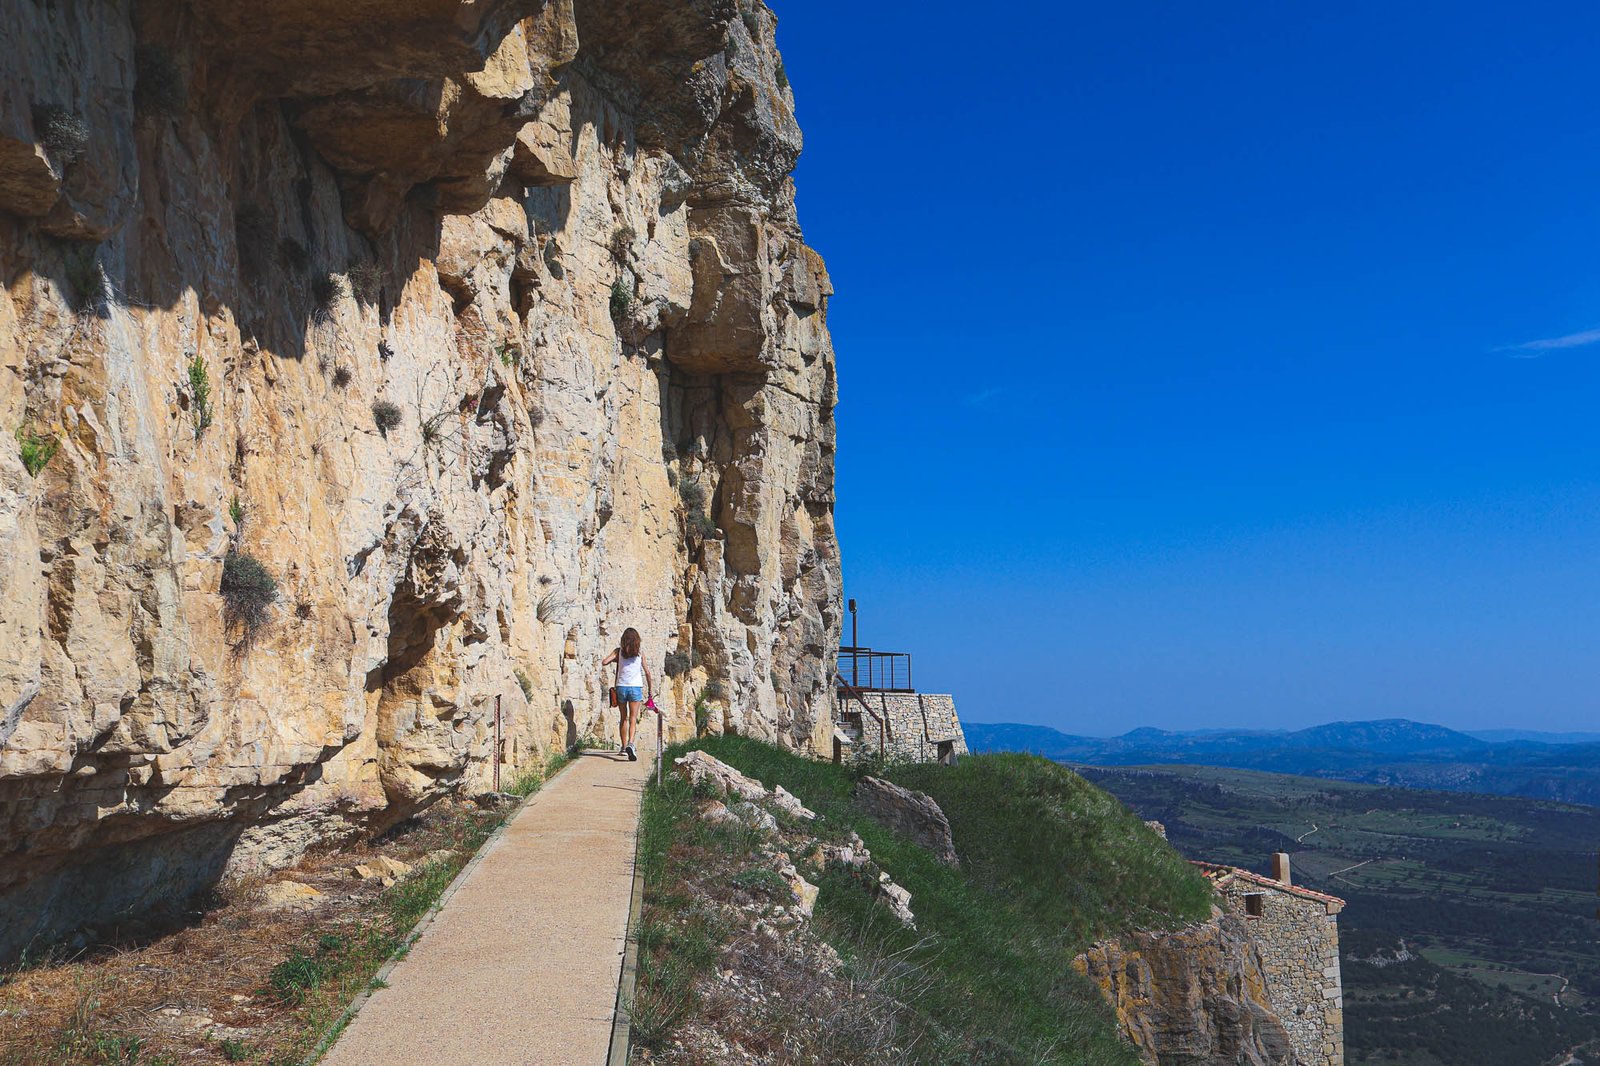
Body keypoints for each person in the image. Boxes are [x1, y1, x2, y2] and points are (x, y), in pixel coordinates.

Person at [601, 628, 654, 761]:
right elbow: (647, 672)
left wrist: (617, 660)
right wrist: (650, 692)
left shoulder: (618, 652)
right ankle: (631, 743)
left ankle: (624, 748)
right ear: (637, 641)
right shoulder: (640, 654)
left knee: (623, 717)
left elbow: (604, 662)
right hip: (635, 688)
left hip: (621, 687)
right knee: (633, 718)